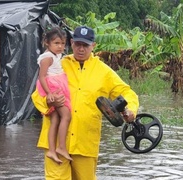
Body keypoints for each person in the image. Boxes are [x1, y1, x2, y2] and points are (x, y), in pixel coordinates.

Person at [31, 25, 139, 180]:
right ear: (72, 43)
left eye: (85, 45)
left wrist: (130, 111)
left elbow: (127, 93)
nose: (81, 49)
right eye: (78, 44)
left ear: (93, 46)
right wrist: (48, 101)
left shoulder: (104, 71)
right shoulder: (58, 64)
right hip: (55, 144)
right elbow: (37, 94)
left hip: (85, 143)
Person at [35, 26, 73, 164]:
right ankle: (61, 147)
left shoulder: (56, 55)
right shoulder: (47, 58)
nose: (60, 46)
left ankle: (52, 150)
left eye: (63, 43)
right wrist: (49, 93)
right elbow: (42, 76)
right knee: (66, 115)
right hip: (52, 87)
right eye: (56, 43)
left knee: (55, 119)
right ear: (47, 43)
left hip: (55, 85)